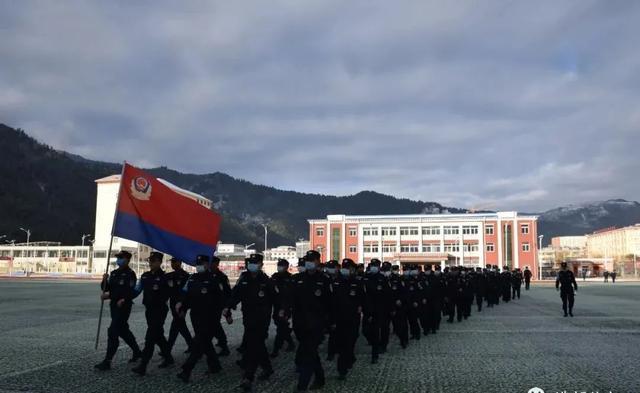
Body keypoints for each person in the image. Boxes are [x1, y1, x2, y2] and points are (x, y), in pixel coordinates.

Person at [224, 253, 277, 392]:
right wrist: (228, 308)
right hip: (248, 318)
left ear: (261, 265)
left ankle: (248, 377)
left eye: (255, 262)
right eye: (250, 262)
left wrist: (281, 312)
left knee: (254, 345)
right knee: (258, 345)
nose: (252, 265)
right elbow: (235, 295)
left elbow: (276, 299)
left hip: (262, 319)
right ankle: (267, 368)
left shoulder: (266, 281)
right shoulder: (244, 279)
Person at [290, 250, 334, 391]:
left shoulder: (324, 280)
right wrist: (284, 310)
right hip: (300, 323)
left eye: (312, 260)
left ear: (317, 261)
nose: (309, 262)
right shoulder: (297, 279)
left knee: (308, 353)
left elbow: (331, 303)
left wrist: (330, 322)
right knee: (311, 352)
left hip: (316, 324)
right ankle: (320, 378)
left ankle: (302, 385)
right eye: (307, 260)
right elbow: (290, 299)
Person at [175, 255, 223, 382]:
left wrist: (223, 314)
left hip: (209, 317)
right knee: (205, 342)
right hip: (195, 315)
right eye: (197, 263)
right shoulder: (192, 278)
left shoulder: (213, 279)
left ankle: (187, 369)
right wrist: (181, 305)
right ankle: (215, 365)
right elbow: (186, 294)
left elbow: (220, 299)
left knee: (199, 343)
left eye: (201, 263)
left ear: (207, 264)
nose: (199, 266)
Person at [94, 250, 142, 371]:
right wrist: (104, 280)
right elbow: (108, 288)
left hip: (124, 306)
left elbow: (130, 291)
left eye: (121, 257)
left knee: (113, 331)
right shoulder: (114, 273)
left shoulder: (130, 274)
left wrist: (124, 299)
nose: (118, 260)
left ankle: (107, 361)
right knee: (123, 330)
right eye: (118, 257)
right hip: (114, 306)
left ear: (127, 259)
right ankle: (137, 351)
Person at [131, 252, 173, 376]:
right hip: (149, 310)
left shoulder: (165, 278)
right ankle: (168, 357)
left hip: (159, 311)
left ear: (159, 262)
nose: (150, 263)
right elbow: (136, 291)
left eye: (153, 261)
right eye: (150, 261)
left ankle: (143, 365)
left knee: (150, 337)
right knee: (158, 336)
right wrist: (124, 298)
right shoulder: (145, 276)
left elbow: (167, 295)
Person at [332, 258, 365, 380]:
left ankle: (349, 358)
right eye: (346, 268)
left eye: (350, 268)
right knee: (342, 345)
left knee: (350, 341)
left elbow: (363, 298)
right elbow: (331, 302)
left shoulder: (357, 283)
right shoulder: (335, 282)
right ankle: (342, 369)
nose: (348, 270)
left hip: (353, 318)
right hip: (339, 318)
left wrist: (361, 307)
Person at [362, 258, 392, 364]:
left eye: (376, 265)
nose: (374, 267)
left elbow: (388, 295)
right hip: (367, 309)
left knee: (378, 331)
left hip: (380, 309)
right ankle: (376, 343)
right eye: (373, 265)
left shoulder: (382, 279)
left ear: (379, 267)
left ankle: (376, 354)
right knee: (365, 330)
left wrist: (389, 309)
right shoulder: (365, 278)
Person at [165, 257, 193, 354]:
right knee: (180, 326)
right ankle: (192, 345)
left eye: (174, 262)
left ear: (180, 262)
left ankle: (167, 349)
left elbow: (187, 293)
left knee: (176, 325)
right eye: (172, 262)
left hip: (182, 305)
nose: (172, 264)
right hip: (173, 304)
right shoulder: (169, 275)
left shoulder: (186, 276)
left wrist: (184, 306)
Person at [270, 258, 295, 358]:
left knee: (281, 328)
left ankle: (276, 349)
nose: (280, 267)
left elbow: (290, 295)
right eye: (279, 265)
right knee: (282, 326)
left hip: (286, 307)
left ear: (286, 267)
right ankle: (290, 342)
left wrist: (285, 308)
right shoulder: (274, 277)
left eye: (282, 266)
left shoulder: (290, 278)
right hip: (276, 306)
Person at [210, 256, 231, 356]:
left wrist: (228, 312)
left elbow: (227, 293)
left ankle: (224, 346)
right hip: (207, 306)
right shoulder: (207, 275)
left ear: (217, 264)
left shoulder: (221, 277)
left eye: (213, 263)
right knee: (211, 326)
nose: (211, 265)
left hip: (217, 306)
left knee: (215, 326)